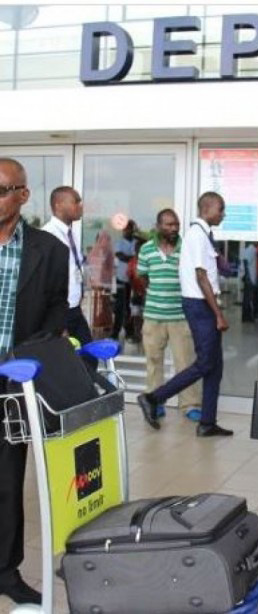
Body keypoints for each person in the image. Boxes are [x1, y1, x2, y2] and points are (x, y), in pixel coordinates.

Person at [0, 158, 68, 605]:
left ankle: (5, 571)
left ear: (23, 195)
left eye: (3, 189)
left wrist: (29, 361)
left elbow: (57, 312)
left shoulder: (49, 250)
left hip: (13, 382)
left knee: (7, 483)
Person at [137, 193, 232, 437]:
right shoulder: (197, 235)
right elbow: (202, 277)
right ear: (208, 208)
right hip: (200, 307)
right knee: (204, 363)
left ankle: (207, 422)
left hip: (200, 306)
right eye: (221, 209)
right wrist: (218, 314)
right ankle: (153, 398)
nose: (223, 214)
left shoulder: (202, 235)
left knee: (215, 368)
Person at [137, 209, 201, 419]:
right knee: (154, 362)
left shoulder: (186, 249)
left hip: (180, 318)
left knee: (185, 363)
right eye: (169, 225)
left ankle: (190, 405)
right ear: (158, 226)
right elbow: (143, 278)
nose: (173, 228)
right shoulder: (146, 249)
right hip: (153, 316)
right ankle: (156, 402)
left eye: (176, 224)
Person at [42, 186, 94, 357]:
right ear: (58, 205)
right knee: (64, 363)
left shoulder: (70, 234)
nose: (80, 205)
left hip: (74, 310)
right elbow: (45, 282)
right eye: (75, 201)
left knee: (88, 358)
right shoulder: (48, 235)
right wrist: (56, 323)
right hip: (60, 314)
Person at [86, 230, 114, 338]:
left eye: (107, 239)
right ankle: (96, 333)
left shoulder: (109, 253)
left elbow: (110, 270)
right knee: (96, 311)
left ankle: (104, 333)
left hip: (105, 287)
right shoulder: (94, 252)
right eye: (102, 239)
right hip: (94, 288)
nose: (105, 242)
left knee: (104, 310)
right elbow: (90, 268)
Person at [111, 219, 136, 340]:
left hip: (134, 280)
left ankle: (130, 331)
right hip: (121, 279)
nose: (126, 231)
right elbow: (120, 256)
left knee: (132, 307)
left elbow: (139, 256)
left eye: (128, 229)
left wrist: (130, 258)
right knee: (121, 307)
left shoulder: (136, 242)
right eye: (125, 229)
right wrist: (133, 258)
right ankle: (116, 332)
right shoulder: (120, 243)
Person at [241, 242, 256, 323]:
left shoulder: (249, 249)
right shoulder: (252, 249)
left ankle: (247, 316)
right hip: (250, 277)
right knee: (248, 297)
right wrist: (247, 276)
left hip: (249, 276)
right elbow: (246, 261)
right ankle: (247, 316)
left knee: (247, 297)